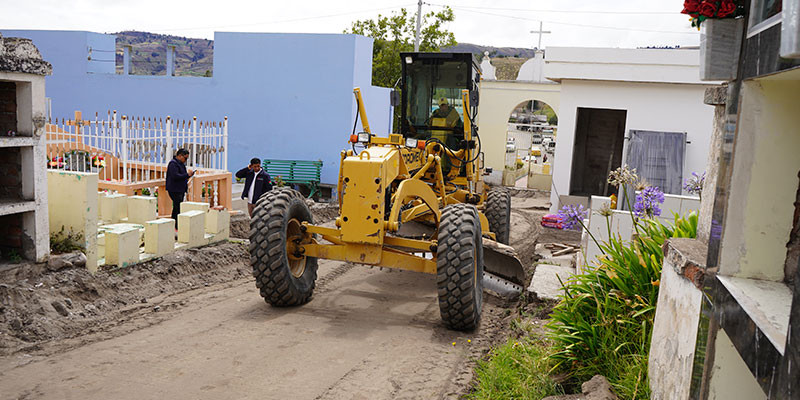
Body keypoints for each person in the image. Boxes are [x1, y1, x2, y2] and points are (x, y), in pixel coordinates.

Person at [166, 148, 195, 229]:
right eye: (185, 158)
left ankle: (174, 224)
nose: (185, 160)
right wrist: (187, 175)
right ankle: (176, 225)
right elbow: (175, 176)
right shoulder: (173, 164)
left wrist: (188, 175)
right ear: (179, 156)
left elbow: (182, 175)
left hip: (180, 189)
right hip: (174, 189)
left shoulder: (180, 164)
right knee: (178, 207)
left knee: (176, 207)